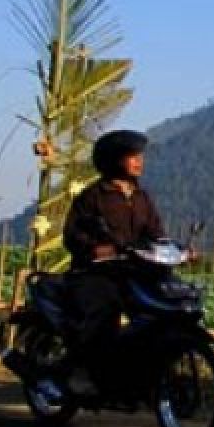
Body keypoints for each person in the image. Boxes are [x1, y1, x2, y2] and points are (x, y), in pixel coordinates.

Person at [50, 130, 166, 398]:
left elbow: (156, 233)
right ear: (113, 160)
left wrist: (177, 250)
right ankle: (82, 371)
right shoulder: (93, 197)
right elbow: (72, 235)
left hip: (131, 272)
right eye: (132, 157)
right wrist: (96, 248)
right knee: (102, 310)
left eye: (140, 157)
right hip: (94, 273)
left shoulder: (142, 198)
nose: (139, 162)